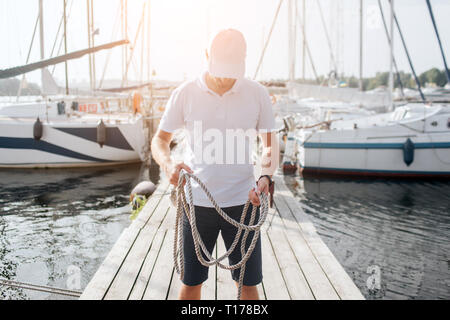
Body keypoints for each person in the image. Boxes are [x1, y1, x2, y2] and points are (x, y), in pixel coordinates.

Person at [151, 29, 279, 300]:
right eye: (221, 69)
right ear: (207, 57)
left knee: (247, 284)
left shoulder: (257, 93)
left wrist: (266, 175)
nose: (225, 78)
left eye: (232, 70)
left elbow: (270, 143)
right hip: (196, 205)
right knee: (190, 282)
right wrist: (167, 164)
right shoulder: (184, 93)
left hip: (244, 203)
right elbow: (160, 141)